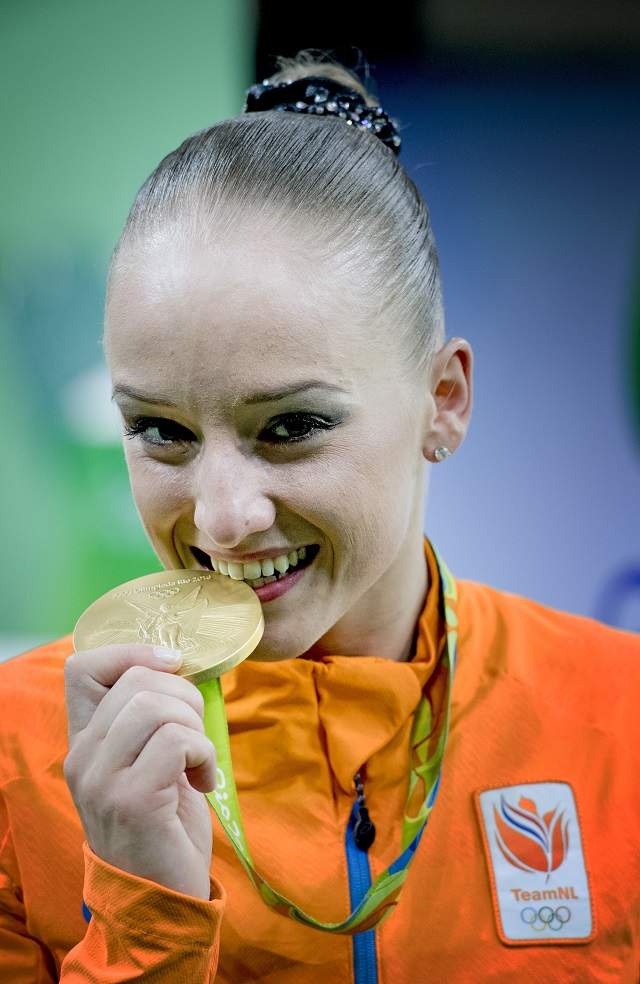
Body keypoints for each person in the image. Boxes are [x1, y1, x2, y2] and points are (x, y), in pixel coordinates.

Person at [1, 49, 638, 984]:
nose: (221, 519)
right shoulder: (17, 758)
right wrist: (145, 927)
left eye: (291, 426)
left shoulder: (620, 716)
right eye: (160, 430)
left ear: (443, 400)